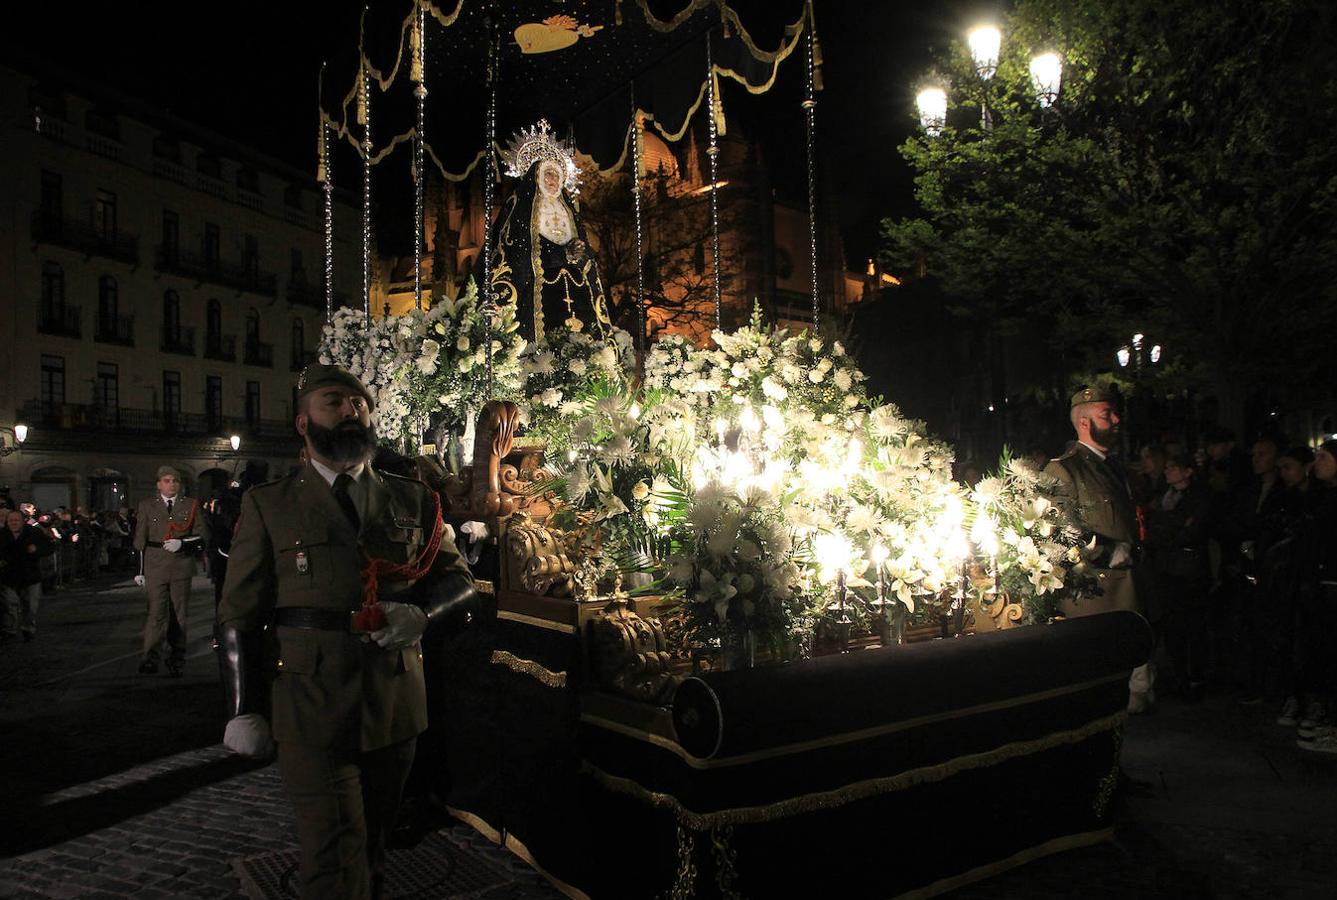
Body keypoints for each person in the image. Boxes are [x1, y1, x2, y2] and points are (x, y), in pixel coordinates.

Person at [217, 363, 477, 899]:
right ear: (302, 422)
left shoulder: (412, 498)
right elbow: (239, 611)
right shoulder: (271, 503)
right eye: (333, 401)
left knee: (373, 845)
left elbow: (459, 580)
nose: (349, 410)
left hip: (393, 698)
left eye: (358, 402)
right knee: (334, 853)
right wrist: (243, 707)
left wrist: (422, 615)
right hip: (310, 700)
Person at [1045, 385, 1153, 712]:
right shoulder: (1064, 469)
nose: (1117, 419)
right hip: (1098, 594)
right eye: (1107, 414)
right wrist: (1111, 552)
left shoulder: (1112, 465)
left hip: (1128, 589)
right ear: (1084, 423)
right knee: (1098, 690)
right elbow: (1059, 529)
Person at [490, 118, 613, 343]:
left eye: (556, 175)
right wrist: (558, 255)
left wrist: (580, 253)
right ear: (535, 176)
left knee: (582, 345)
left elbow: (587, 258)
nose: (552, 180)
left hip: (576, 293)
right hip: (541, 293)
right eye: (547, 174)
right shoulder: (520, 209)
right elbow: (515, 254)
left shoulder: (570, 211)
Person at [1145, 450, 1212, 701]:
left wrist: (1170, 531)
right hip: (1166, 569)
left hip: (1189, 571)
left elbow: (1193, 530)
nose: (1167, 471)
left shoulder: (1198, 497)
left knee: (1193, 625)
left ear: (1187, 471)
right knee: (1173, 625)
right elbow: (1154, 528)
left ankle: (1195, 677)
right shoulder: (1162, 497)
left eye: (1173, 467)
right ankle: (1180, 675)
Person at [133, 466, 210, 676]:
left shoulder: (190, 505)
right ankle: (150, 656)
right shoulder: (147, 505)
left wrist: (182, 543)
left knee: (179, 614)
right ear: (158, 484)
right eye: (166, 480)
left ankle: (177, 657)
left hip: (180, 564)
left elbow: (201, 535)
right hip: (154, 564)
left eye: (175, 481)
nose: (171, 484)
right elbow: (140, 540)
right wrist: (139, 570)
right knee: (155, 613)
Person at [0, 508, 55, 643]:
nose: (13, 523)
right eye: (10, 521)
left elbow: (50, 546)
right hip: (9, 576)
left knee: (30, 606)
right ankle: (9, 630)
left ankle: (28, 629)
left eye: (16, 520)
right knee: (9, 604)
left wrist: (37, 550)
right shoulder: (2, 534)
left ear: (23, 521)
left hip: (30, 575)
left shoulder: (34, 532)